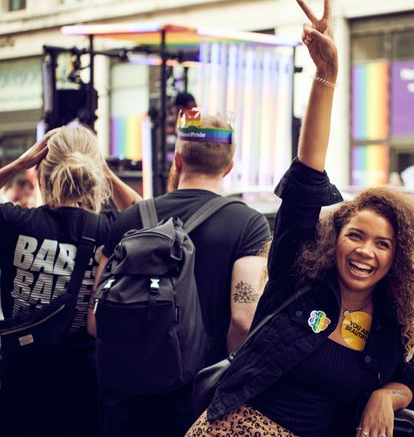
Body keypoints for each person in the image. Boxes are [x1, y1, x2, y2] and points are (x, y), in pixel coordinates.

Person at [186, 0, 414, 437]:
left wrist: (386, 396)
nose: (366, 251)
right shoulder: (297, 280)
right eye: (357, 235)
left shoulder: (391, 319)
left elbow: (408, 381)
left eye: (382, 244)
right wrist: (326, 75)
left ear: (396, 258)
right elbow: (308, 175)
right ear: (336, 237)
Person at [91, 110, 271, 436]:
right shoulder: (248, 224)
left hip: (125, 403)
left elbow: (94, 320)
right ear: (228, 166)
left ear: (177, 160)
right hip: (195, 407)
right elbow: (244, 322)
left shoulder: (129, 219)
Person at [0, 125, 140, 437]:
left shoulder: (16, 222)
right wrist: (98, 164)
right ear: (92, 177)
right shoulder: (107, 228)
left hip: (19, 375)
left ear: (41, 174)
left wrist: (19, 163)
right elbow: (142, 213)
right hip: (82, 381)